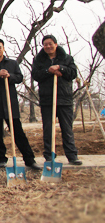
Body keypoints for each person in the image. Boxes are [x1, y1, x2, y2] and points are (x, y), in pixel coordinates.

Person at [0, 38, 41, 170]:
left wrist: (9, 76)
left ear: (3, 48)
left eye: (0, 47)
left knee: (18, 132)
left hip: (10, 102)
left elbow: (19, 77)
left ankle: (29, 159)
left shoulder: (12, 63)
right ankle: (2, 159)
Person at [31, 35, 82, 165]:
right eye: (45, 44)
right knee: (48, 129)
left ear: (56, 44)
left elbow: (73, 73)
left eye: (50, 44)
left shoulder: (67, 58)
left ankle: (72, 155)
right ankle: (49, 156)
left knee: (67, 129)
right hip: (47, 99)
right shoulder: (39, 60)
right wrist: (49, 71)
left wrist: (61, 68)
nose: (48, 46)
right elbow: (36, 75)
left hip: (64, 99)